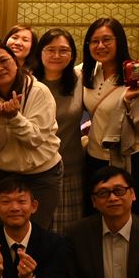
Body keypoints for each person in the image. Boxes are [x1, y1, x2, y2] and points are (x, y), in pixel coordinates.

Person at [0, 41, 62, 230]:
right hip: (1, 173)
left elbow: (34, 139)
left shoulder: (38, 91)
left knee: (35, 235)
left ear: (15, 61)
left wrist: (13, 116)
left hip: (40, 176)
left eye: (3, 60)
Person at [81, 18, 139, 218]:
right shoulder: (86, 74)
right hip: (97, 157)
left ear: (120, 41)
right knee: (100, 218)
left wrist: (134, 101)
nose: (100, 46)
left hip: (135, 157)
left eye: (107, 40)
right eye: (94, 41)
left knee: (137, 217)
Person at [36, 29, 85, 232]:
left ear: (72, 54)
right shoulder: (28, 82)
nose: (56, 55)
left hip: (70, 170)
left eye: (63, 50)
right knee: (35, 234)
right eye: (50, 49)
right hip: (34, 171)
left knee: (66, 236)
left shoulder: (81, 80)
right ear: (40, 52)